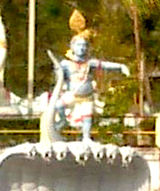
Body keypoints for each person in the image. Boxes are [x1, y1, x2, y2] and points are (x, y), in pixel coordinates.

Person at [50, 10, 130, 141]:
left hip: (86, 96)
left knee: (88, 117)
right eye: (79, 45)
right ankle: (63, 121)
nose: (81, 48)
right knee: (58, 106)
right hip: (72, 94)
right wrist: (57, 71)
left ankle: (86, 137)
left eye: (84, 46)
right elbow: (59, 78)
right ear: (72, 47)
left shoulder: (90, 63)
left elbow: (105, 65)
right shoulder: (65, 63)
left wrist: (121, 67)